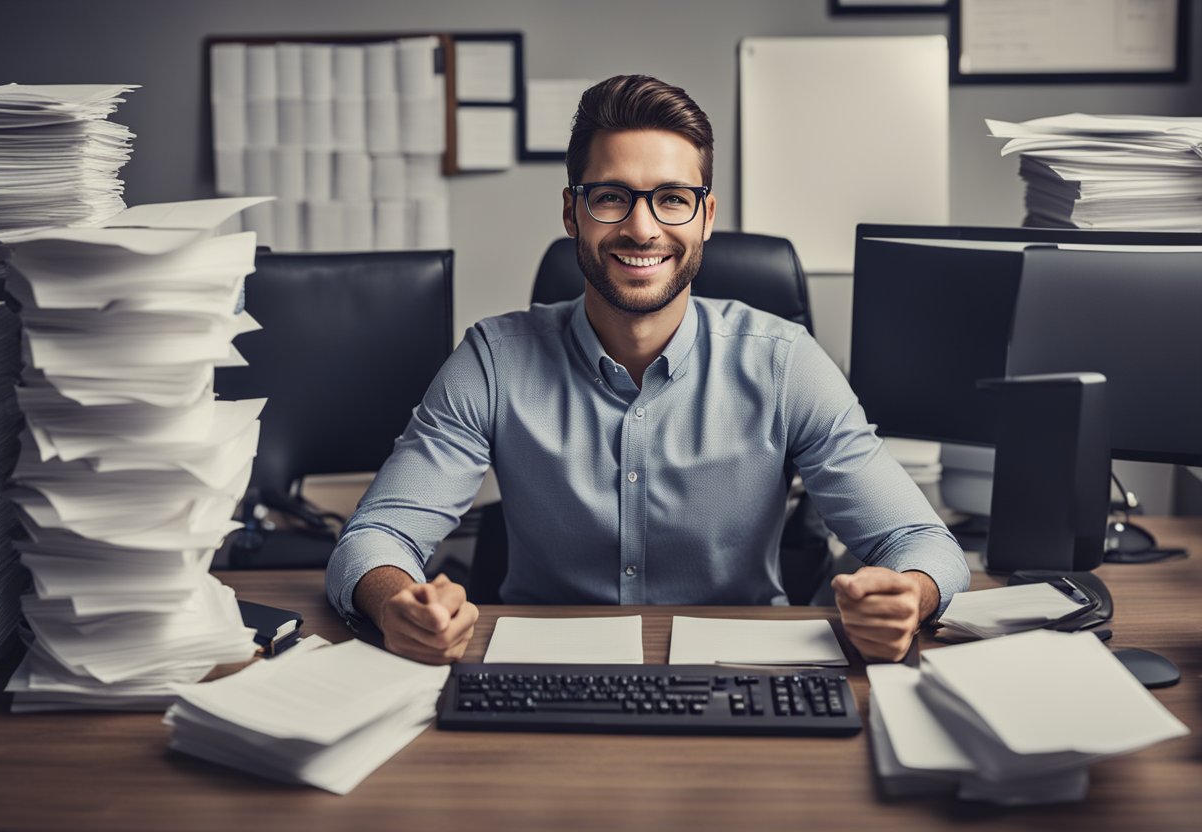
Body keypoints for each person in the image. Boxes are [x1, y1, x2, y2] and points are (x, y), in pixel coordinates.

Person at [326, 74, 969, 665]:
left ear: (706, 217)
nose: (641, 228)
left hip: (743, 672)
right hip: (543, 671)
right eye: (610, 197)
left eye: (671, 199)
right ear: (572, 212)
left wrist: (907, 597)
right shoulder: (494, 360)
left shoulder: (784, 362)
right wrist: (396, 603)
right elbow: (374, 537)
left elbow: (925, 543)